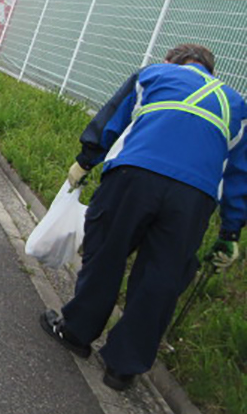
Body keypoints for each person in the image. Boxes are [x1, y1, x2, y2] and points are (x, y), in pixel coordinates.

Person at [40, 44, 246, 391]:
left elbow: (112, 120)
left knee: (106, 253)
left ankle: (76, 332)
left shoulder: (154, 74)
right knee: (162, 277)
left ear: (172, 61)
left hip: (133, 177)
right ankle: (123, 368)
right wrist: (230, 232)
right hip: (194, 196)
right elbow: (238, 174)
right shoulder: (236, 105)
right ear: (210, 71)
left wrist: (85, 160)